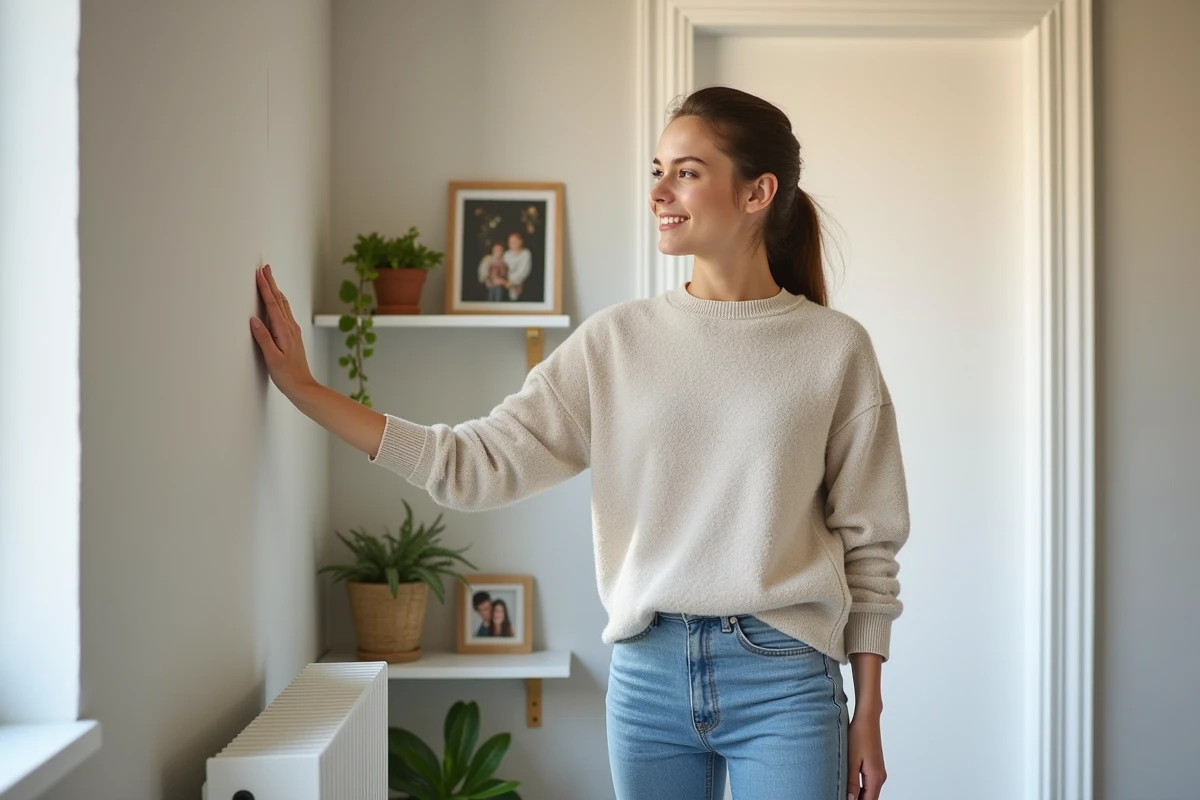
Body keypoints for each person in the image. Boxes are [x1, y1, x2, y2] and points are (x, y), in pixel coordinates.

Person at [249, 85, 907, 800]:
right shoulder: (615, 343)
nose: (659, 191)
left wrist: (868, 709)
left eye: (686, 171)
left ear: (758, 192)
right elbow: (475, 465)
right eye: (656, 170)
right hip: (648, 677)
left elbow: (868, 545)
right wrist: (309, 394)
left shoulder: (834, 349)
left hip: (784, 675)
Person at [501, 231, 532, 301]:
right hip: (506, 285)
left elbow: (524, 270)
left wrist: (512, 281)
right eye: (510, 241)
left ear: (521, 241)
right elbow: (503, 269)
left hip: (521, 284)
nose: (513, 243)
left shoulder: (526, 253)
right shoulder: (506, 254)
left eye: (515, 241)